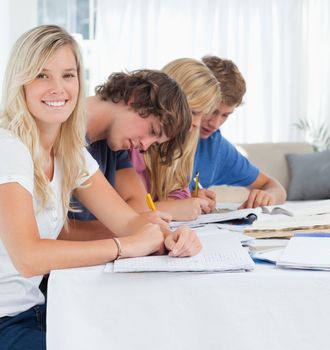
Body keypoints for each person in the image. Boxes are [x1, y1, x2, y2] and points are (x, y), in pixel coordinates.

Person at [0, 25, 201, 350]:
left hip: (38, 309)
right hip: (7, 321)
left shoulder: (69, 152)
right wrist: (126, 246)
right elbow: (29, 256)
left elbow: (128, 220)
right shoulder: (8, 148)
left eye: (68, 75)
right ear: (20, 81)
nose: (58, 88)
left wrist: (169, 235)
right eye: (41, 75)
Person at [66, 69, 192, 238]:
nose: (145, 146)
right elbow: (50, 231)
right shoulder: (61, 130)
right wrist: (134, 227)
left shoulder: (115, 143)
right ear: (136, 97)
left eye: (154, 143)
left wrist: (142, 226)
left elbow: (138, 204)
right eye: (152, 130)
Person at [130, 58, 221, 220]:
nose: (197, 124)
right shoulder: (132, 142)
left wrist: (186, 201)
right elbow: (123, 213)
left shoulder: (178, 145)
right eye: (193, 112)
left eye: (203, 115)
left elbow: (177, 191)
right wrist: (170, 208)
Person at [191, 55, 287, 208]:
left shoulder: (215, 147)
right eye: (212, 111)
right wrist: (184, 200)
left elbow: (275, 187)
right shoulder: (155, 136)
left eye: (225, 115)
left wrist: (268, 196)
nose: (215, 124)